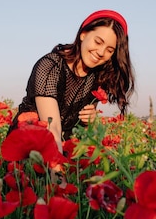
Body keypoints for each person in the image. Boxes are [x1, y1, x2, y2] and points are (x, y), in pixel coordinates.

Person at [8, 10, 135, 154]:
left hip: (65, 149)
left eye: (109, 50)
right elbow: (52, 127)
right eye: (98, 42)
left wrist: (89, 122)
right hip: (29, 149)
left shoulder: (96, 76)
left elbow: (80, 132)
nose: (101, 52)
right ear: (83, 34)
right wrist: (57, 174)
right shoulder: (50, 66)